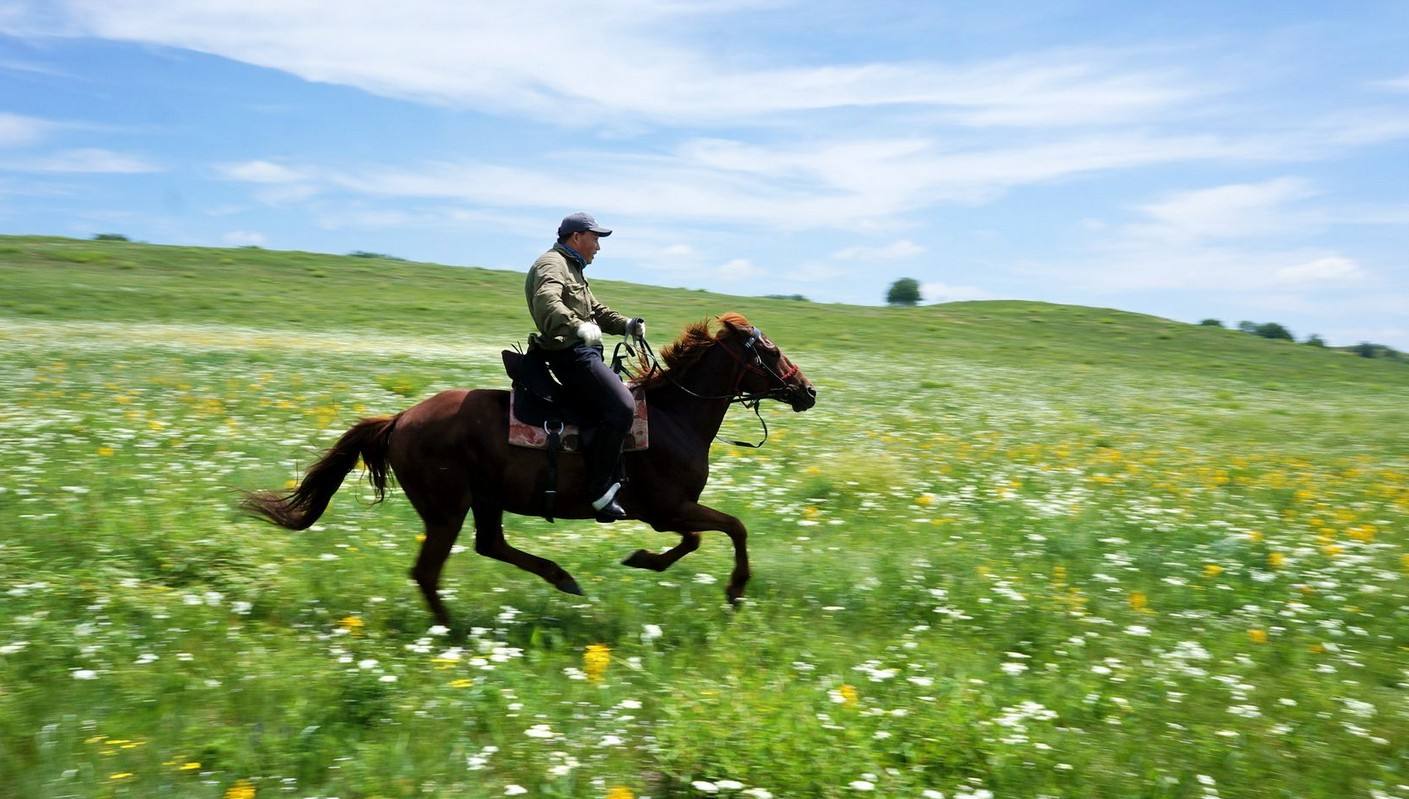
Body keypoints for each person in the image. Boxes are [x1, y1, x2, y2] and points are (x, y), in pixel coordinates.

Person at [525, 212, 646, 522]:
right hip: (572, 356)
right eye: (595, 239)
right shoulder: (551, 265)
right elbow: (547, 301)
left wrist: (627, 325)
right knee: (622, 406)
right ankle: (599, 491)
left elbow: (597, 312)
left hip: (584, 354)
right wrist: (575, 325)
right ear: (576, 237)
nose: (598, 247)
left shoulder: (573, 268)